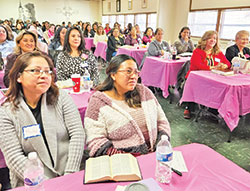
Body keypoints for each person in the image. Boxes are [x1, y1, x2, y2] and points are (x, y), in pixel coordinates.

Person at [0, 51, 85, 188]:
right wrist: (46, 184)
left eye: (47, 71)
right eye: (35, 71)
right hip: (32, 183)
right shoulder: (6, 111)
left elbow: (77, 134)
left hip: (69, 173)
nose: (44, 75)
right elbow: (14, 157)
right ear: (19, 77)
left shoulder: (61, 98)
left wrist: (69, 174)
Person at [84, 54, 171, 157]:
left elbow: (162, 121)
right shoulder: (98, 102)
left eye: (136, 72)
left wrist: (161, 144)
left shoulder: (144, 92)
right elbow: (95, 141)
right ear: (113, 75)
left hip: (152, 156)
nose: (134, 76)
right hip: (120, 162)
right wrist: (126, 157)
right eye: (128, 71)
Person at [184, 30, 231, 119]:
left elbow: (228, 63)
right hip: (195, 77)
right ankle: (188, 108)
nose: (212, 40)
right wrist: (213, 67)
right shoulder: (197, 51)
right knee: (194, 86)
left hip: (212, 78)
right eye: (210, 38)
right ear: (205, 39)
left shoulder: (218, 52)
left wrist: (224, 65)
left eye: (214, 38)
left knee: (220, 87)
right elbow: (198, 65)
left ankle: (213, 109)